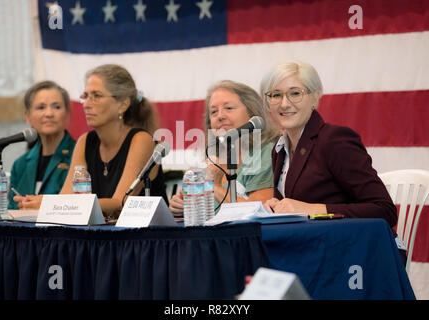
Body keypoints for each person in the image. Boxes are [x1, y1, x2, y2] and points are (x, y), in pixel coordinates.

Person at [14, 64, 166, 219]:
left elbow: (121, 202)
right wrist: (41, 202)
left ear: (123, 104)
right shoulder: (85, 141)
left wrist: (48, 203)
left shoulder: (141, 140)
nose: (86, 104)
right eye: (85, 96)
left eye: (97, 96)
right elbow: (67, 195)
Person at [261, 60, 397, 228]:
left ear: (315, 97)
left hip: (349, 246)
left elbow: (384, 210)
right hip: (309, 244)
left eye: (295, 93)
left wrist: (313, 209)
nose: (285, 103)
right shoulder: (280, 148)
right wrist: (275, 207)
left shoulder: (335, 140)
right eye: (275, 95)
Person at [169, 80, 279, 216]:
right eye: (214, 112)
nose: (220, 116)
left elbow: (262, 210)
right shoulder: (210, 160)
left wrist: (213, 187)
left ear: (252, 113)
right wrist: (181, 206)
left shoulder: (265, 153)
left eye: (229, 108)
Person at [8, 81, 76, 209]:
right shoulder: (20, 165)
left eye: (56, 107)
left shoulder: (81, 154)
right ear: (28, 116)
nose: (49, 113)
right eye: (41, 107)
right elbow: (11, 210)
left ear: (67, 114)